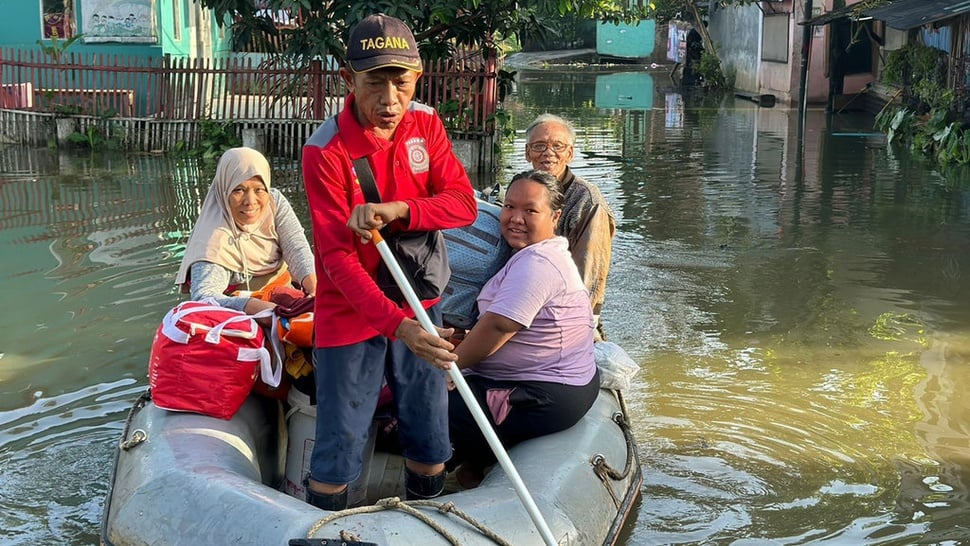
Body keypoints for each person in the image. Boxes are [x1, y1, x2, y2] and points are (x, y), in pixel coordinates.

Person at [301, 13, 477, 510]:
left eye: (400, 83)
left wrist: (400, 210)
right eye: (373, 83)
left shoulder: (425, 123)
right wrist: (399, 328)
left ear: (417, 77)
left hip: (420, 295)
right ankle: (325, 524)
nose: (389, 100)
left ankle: (427, 521)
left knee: (428, 432)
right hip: (351, 310)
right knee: (339, 444)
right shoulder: (324, 151)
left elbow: (462, 203)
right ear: (347, 79)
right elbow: (336, 260)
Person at [444, 169, 600, 488]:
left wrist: (450, 367)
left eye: (530, 210)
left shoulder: (538, 264)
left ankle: (426, 486)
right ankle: (475, 466)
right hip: (545, 379)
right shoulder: (536, 254)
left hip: (544, 393)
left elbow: (499, 326)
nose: (515, 218)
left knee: (425, 405)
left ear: (554, 216)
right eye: (509, 207)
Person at [175, 146, 317, 314]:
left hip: (285, 299)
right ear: (224, 190)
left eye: (259, 189)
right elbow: (204, 298)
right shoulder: (212, 240)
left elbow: (296, 248)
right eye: (238, 190)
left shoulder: (274, 202)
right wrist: (255, 308)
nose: (250, 201)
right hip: (242, 315)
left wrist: (315, 291)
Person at [524, 113, 616, 340]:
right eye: (539, 146)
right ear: (527, 153)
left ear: (570, 153)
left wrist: (576, 328)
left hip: (564, 319)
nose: (548, 153)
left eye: (558, 146)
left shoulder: (587, 201)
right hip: (526, 301)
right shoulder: (523, 187)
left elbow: (589, 278)